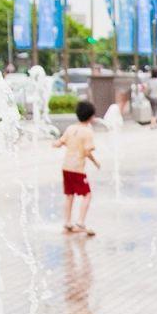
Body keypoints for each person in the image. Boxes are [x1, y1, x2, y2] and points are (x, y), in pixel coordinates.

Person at [53, 100, 100, 235]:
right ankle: (80, 222)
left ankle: (67, 223)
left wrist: (53, 143)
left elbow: (60, 142)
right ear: (91, 116)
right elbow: (87, 151)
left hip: (66, 167)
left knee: (69, 195)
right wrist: (95, 162)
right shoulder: (87, 132)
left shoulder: (70, 128)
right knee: (87, 195)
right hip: (77, 168)